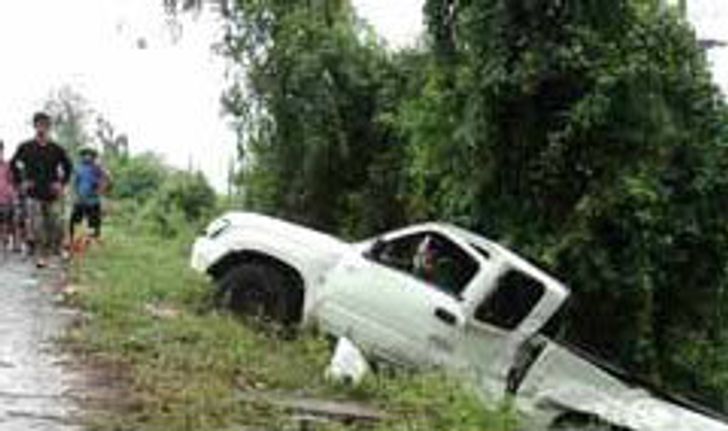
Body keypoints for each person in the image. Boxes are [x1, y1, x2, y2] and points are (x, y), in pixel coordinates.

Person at [11, 112, 73, 268]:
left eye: (45, 124)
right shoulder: (25, 147)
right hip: (33, 193)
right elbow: (13, 164)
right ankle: (41, 255)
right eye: (39, 124)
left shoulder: (56, 148)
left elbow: (68, 166)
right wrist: (21, 182)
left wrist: (61, 183)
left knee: (56, 223)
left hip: (52, 193)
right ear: (34, 126)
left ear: (49, 126)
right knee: (37, 225)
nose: (42, 127)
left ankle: (58, 250)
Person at [69, 147, 108, 244]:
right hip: (80, 200)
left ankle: (91, 240)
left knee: (93, 222)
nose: (87, 156)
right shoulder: (78, 168)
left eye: (90, 155)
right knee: (75, 221)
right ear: (82, 156)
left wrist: (100, 190)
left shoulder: (98, 168)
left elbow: (106, 180)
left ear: (93, 157)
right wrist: (75, 195)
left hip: (93, 200)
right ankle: (75, 239)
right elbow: (74, 183)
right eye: (85, 154)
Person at [0, 140, 17, 251]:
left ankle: (5, 243)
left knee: (4, 221)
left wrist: (13, 196)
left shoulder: (7, 165)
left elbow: (12, 181)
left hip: (5, 198)